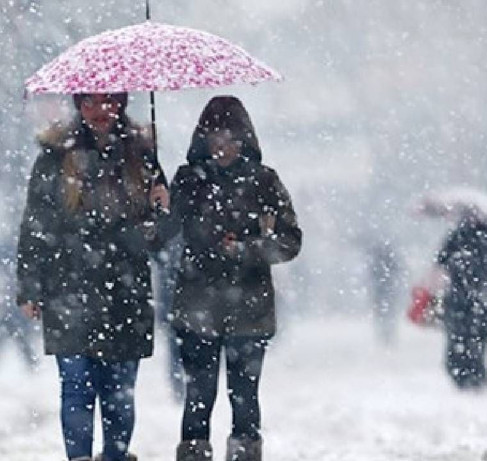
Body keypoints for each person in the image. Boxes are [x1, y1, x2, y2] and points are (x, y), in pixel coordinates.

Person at [17, 92, 169, 461]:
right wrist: (30, 287)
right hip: (68, 287)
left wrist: (162, 208)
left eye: (109, 102)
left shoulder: (142, 156)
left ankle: (116, 456)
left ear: (122, 104)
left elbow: (160, 239)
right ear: (78, 105)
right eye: (90, 103)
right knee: (76, 385)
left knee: (119, 390)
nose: (100, 112)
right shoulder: (54, 157)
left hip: (125, 290)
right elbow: (35, 226)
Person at [157, 96, 302, 461]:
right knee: (198, 396)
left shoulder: (265, 181)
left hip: (248, 309)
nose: (222, 146)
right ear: (203, 140)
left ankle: (245, 454)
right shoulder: (188, 180)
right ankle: (194, 453)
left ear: (244, 139)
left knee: (245, 396)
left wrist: (247, 249)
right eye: (215, 138)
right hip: (197, 307)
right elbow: (159, 237)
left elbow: (289, 242)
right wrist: (157, 205)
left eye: (230, 138)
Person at [436, 211, 487, 390]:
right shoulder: (461, 235)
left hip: (472, 298)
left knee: (468, 338)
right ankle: (470, 374)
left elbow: (441, 261)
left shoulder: (459, 236)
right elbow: (441, 261)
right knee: (471, 338)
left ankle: (470, 374)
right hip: (473, 299)